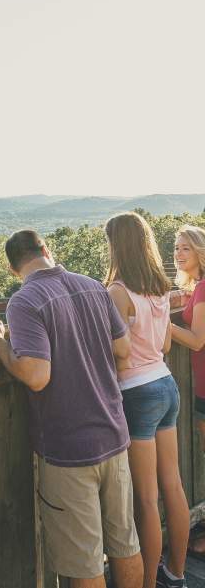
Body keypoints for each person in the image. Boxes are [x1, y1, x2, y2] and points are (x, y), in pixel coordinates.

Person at [0, 229, 143, 588]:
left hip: (69, 449)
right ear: (46, 250)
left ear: (11, 268)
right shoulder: (92, 286)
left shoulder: (25, 301)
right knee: (125, 543)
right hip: (114, 433)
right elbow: (124, 349)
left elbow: (36, 376)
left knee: (84, 562)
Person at [104, 212, 189, 588]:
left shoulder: (118, 292)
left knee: (145, 497)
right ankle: (177, 573)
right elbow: (167, 344)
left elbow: (116, 353)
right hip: (167, 385)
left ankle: (148, 583)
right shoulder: (159, 287)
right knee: (172, 484)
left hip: (137, 394)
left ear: (116, 246)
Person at [169, 225, 205, 557]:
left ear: (200, 252)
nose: (179, 254)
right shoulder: (198, 287)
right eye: (177, 248)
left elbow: (197, 340)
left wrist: (158, 321)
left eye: (186, 249)